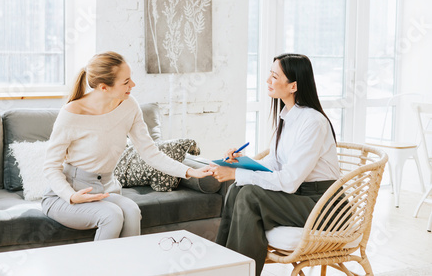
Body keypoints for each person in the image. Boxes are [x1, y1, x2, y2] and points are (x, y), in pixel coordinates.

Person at [41, 51, 213, 241]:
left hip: (103, 189)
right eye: (126, 82)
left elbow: (150, 152)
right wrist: (72, 196)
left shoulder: (129, 105)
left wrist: (190, 171)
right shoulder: (72, 113)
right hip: (65, 196)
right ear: (104, 87)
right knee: (112, 216)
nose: (133, 85)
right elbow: (51, 166)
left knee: (131, 210)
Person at [210, 53, 339, 276]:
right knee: (237, 190)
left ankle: (241, 272)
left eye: (274, 76)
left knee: (249, 194)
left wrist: (237, 173)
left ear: (293, 86)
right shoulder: (288, 116)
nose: (268, 81)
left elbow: (288, 180)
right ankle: (226, 268)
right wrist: (240, 162)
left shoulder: (313, 122)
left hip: (323, 205)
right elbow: (275, 162)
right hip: (301, 197)